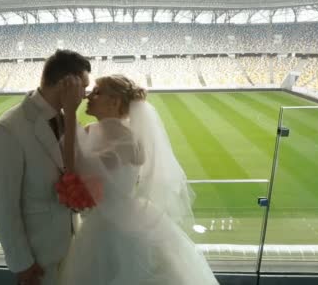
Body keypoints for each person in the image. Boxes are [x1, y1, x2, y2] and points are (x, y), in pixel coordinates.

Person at [58, 74, 220, 285]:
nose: (89, 96)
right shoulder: (90, 130)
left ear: (114, 102)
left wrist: (69, 115)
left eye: (97, 93)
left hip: (117, 227)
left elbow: (80, 166)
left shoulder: (128, 142)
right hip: (101, 221)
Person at [0, 49, 90, 285]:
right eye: (82, 87)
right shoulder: (8, 129)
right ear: (66, 84)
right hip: (39, 259)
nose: (84, 95)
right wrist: (21, 262)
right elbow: (3, 204)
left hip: (72, 249)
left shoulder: (67, 119)